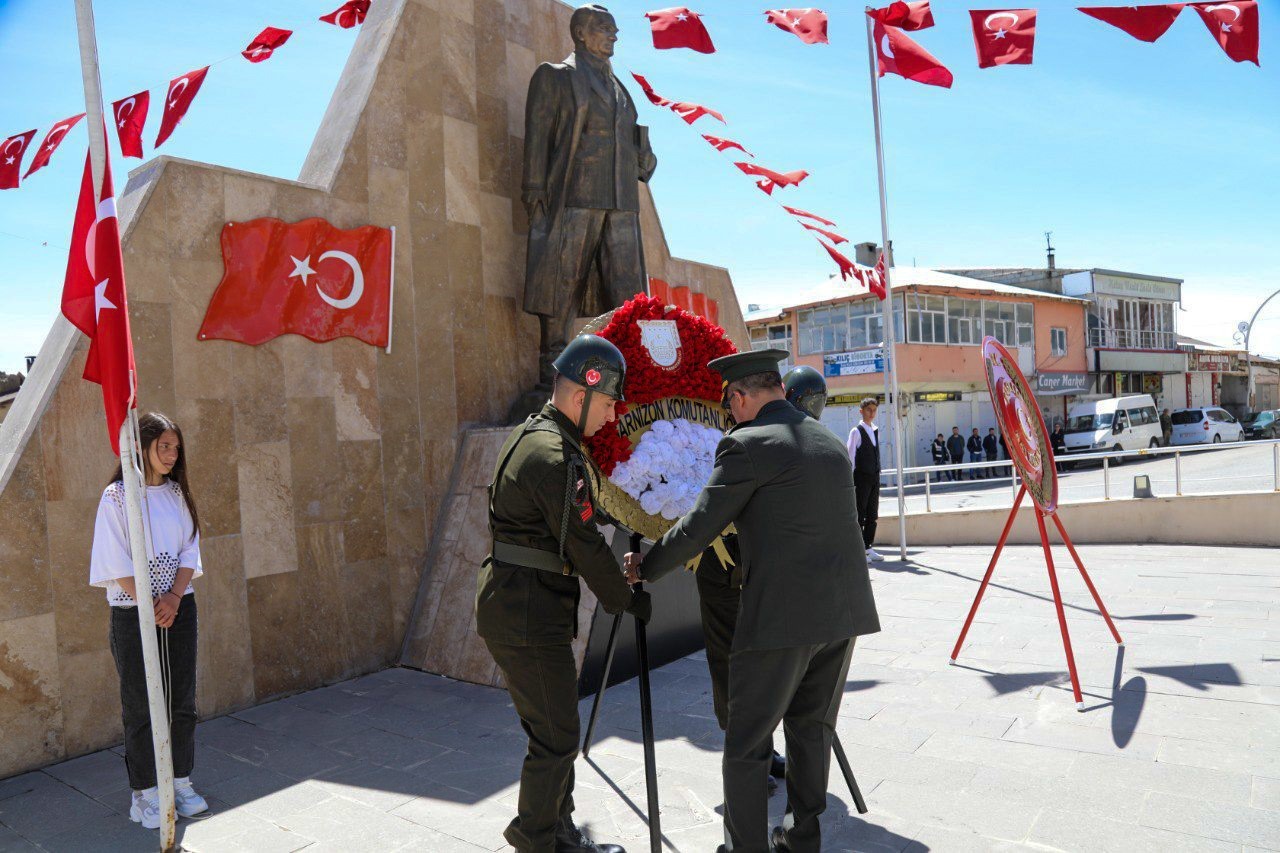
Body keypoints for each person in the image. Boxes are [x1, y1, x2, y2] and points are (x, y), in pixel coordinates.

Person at [625, 349, 880, 853]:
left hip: (782, 619)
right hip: (843, 613)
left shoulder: (745, 445)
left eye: (730, 404)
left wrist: (645, 567)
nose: (731, 414)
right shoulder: (827, 439)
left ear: (741, 397)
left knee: (746, 742)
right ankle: (802, 839)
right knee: (811, 729)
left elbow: (701, 525)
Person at [476, 334, 648, 853]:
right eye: (610, 401)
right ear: (582, 394)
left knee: (554, 729)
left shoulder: (535, 435)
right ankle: (535, 840)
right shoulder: (555, 456)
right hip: (529, 614)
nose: (613, 413)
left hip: (521, 606)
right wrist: (625, 598)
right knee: (556, 739)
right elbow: (585, 542)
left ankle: (559, 831)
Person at [521, 4, 659, 387]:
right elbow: (537, 137)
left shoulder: (621, 89)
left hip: (621, 203)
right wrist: (533, 190)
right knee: (561, 282)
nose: (614, 34)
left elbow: (629, 144)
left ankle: (631, 368)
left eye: (615, 28)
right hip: (575, 195)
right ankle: (552, 365)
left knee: (628, 290)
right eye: (605, 27)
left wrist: (644, 157)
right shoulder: (557, 77)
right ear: (581, 33)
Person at [90, 412, 206, 831]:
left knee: (182, 700)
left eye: (176, 447)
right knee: (141, 703)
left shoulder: (177, 494)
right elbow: (115, 558)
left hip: (179, 607)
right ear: (141, 448)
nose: (172, 454)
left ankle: (180, 781)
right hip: (132, 611)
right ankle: (145, 794)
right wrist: (151, 603)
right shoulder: (117, 497)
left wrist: (173, 598)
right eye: (164, 446)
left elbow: (190, 550)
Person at [846, 398, 883, 563]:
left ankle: (868, 547)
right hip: (861, 478)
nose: (872, 413)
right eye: (869, 409)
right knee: (860, 513)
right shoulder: (856, 431)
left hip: (874, 477)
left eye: (874, 410)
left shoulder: (875, 430)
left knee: (873, 514)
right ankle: (860, 549)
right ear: (861, 411)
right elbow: (850, 456)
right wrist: (850, 480)